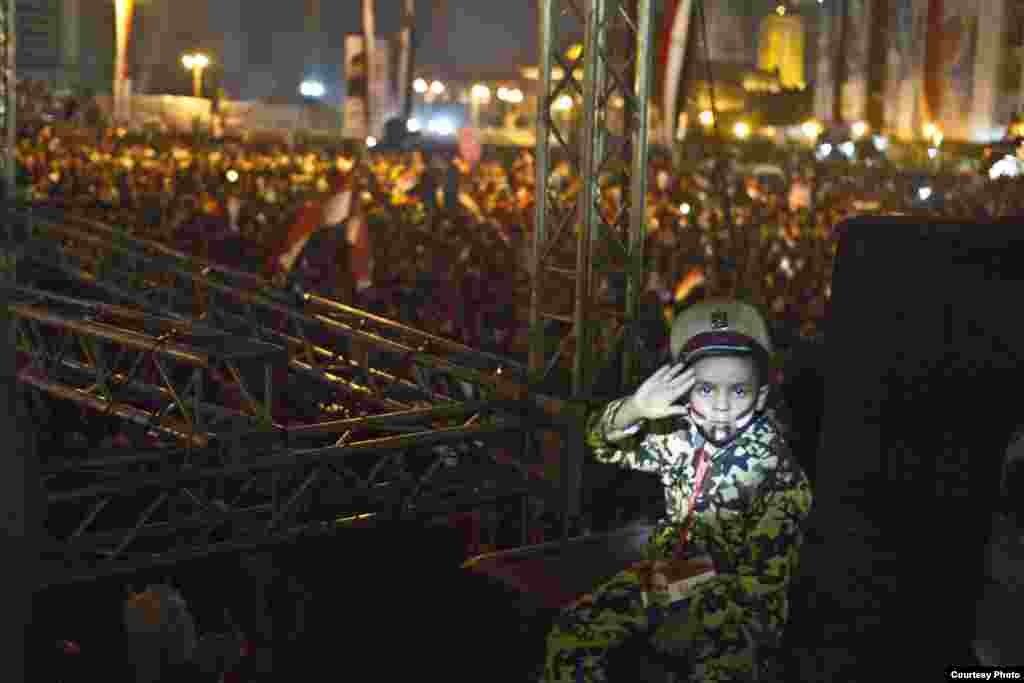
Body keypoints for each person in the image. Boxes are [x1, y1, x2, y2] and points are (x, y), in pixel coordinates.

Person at [540, 299, 813, 682]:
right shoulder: (678, 434)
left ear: (762, 396)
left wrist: (691, 621)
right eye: (704, 388)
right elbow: (601, 443)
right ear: (685, 392)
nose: (720, 405)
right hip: (673, 573)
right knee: (573, 634)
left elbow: (762, 586)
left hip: (733, 602)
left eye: (738, 391)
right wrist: (633, 409)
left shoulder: (778, 473)